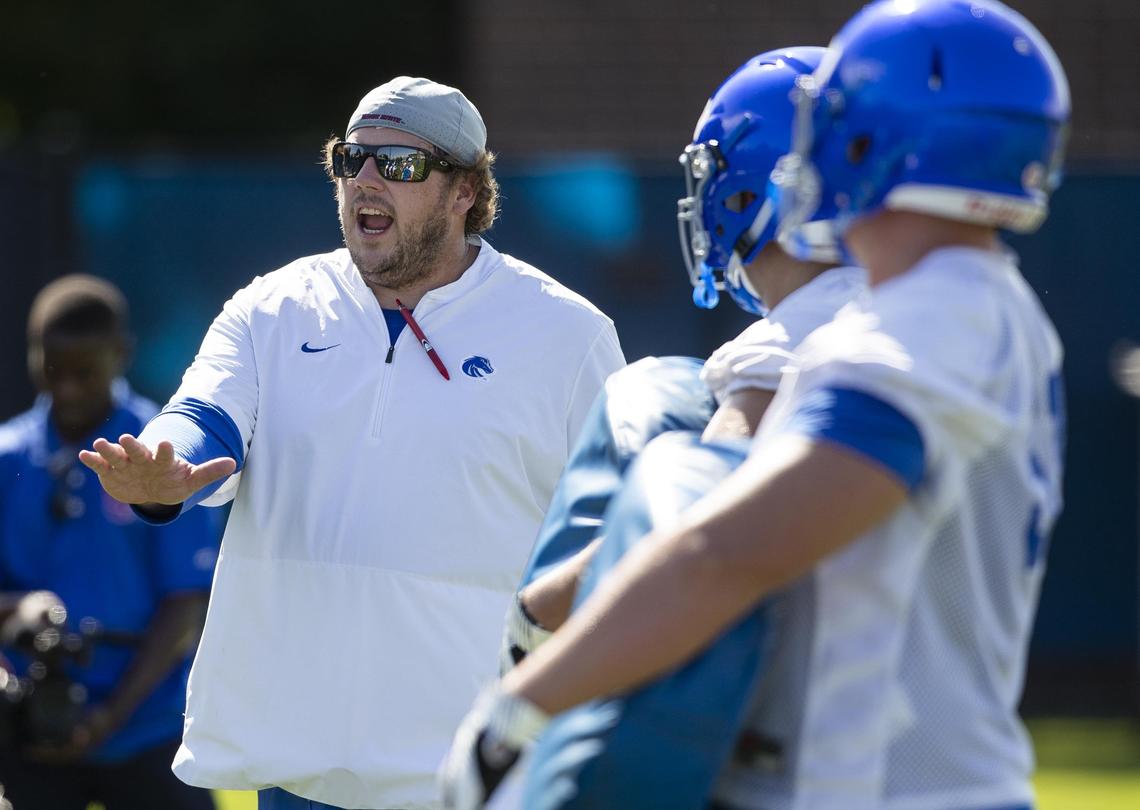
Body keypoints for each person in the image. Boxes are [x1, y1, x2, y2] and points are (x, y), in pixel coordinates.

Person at [441, 2, 1070, 809]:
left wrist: (520, 708)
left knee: (670, 449)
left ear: (867, 139)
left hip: (878, 792)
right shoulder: (971, 305)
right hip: (911, 779)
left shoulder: (928, 321)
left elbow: (723, 546)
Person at [79, 76, 625, 810]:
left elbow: (621, 527)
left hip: (476, 776)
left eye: (397, 165)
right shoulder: (271, 306)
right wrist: (166, 468)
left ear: (464, 191)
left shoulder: (568, 333)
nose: (365, 179)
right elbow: (204, 417)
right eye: (352, 159)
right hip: (303, 777)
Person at [500, 45, 866, 670]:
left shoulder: (798, 336)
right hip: (945, 717)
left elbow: (687, 534)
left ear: (756, 186)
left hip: (826, 732)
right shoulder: (938, 314)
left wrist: (537, 619)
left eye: (715, 173)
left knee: (655, 395)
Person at [0, 275, 219, 810]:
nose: (68, 388)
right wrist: (17, 614)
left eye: (84, 372)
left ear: (120, 353)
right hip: (27, 731)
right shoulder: (7, 457)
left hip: (147, 730)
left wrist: (108, 718)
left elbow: (186, 604)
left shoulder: (160, 457)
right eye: (53, 369)